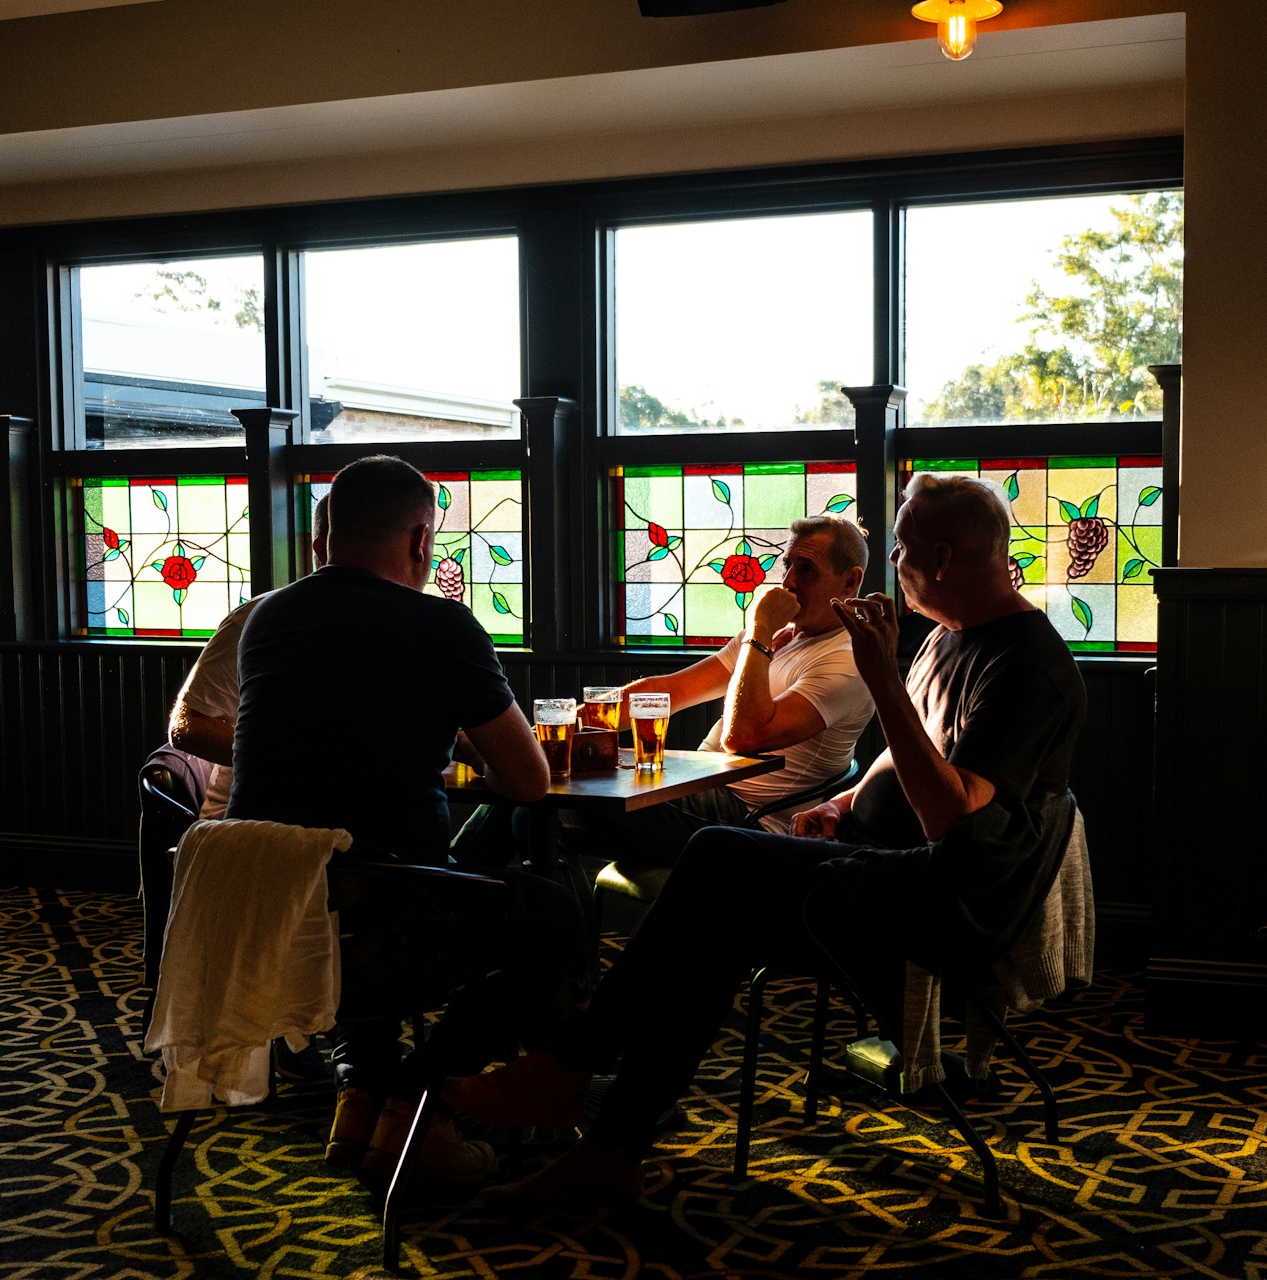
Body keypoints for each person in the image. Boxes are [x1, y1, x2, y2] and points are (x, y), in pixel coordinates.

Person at [443, 472, 1088, 1212]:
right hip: (878, 861)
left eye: (903, 548)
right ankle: (611, 1148)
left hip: (943, 896)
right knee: (715, 920)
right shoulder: (950, 636)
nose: (895, 564)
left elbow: (954, 817)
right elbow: (912, 752)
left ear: (941, 558)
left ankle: (572, 1065)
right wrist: (845, 802)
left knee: (719, 856)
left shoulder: (1027, 664)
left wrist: (880, 680)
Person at [228, 454, 587, 1187]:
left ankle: (360, 1091)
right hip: (395, 920)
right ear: (422, 540)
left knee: (368, 877)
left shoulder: (270, 617)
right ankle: (419, 1101)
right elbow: (527, 779)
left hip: (268, 911)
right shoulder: (441, 625)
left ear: (323, 538)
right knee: (551, 914)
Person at [456, 515, 875, 871]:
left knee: (530, 807)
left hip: (746, 824)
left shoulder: (850, 659)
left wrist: (760, 632)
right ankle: (455, 892)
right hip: (699, 791)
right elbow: (670, 691)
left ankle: (453, 900)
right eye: (788, 565)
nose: (787, 582)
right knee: (526, 783)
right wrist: (538, 738)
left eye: (807, 570)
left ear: (850, 581)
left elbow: (743, 736)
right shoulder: (781, 636)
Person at [167, 497, 328, 819]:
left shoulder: (406, 623)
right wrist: (301, 761)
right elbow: (187, 728)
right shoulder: (258, 618)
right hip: (249, 825)